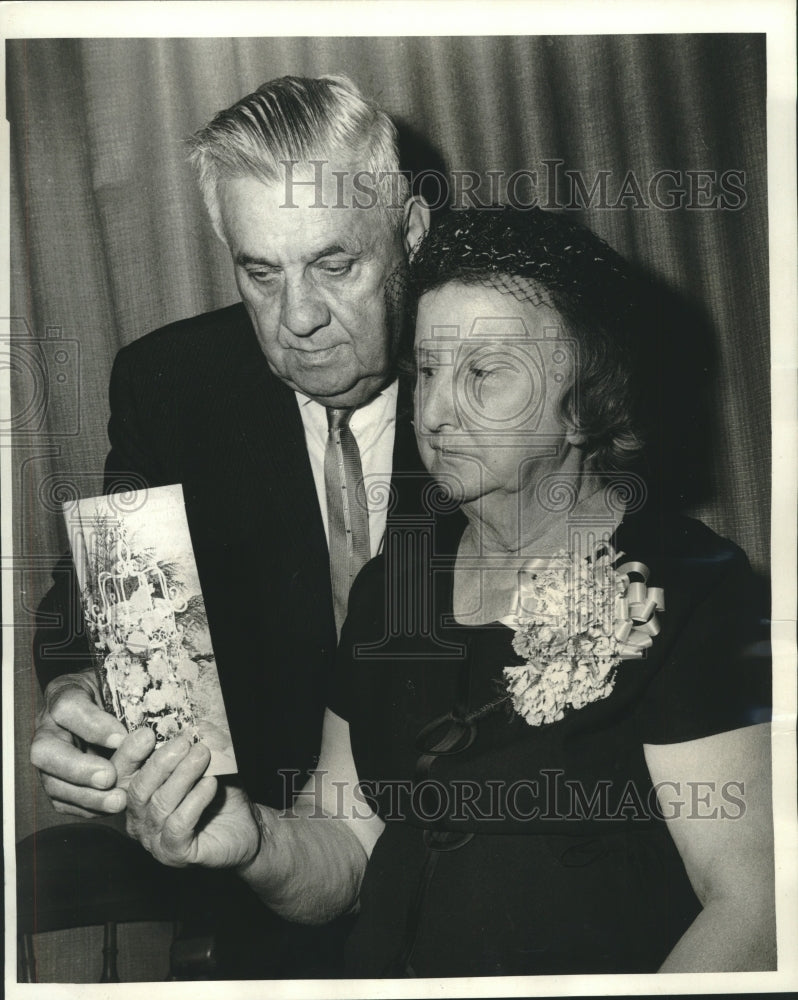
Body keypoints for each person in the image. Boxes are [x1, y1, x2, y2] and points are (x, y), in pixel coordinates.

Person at [122, 206, 775, 976]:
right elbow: (346, 850)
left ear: (588, 391)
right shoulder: (391, 586)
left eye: (483, 372)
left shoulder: (697, 590)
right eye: (427, 370)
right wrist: (256, 839)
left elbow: (753, 907)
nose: (434, 412)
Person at [29, 74, 429, 976]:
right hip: (273, 885)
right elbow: (91, 606)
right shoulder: (173, 384)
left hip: (489, 870)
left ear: (408, 237)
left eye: (335, 265)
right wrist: (79, 702)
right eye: (261, 271)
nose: (298, 320)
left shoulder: (493, 371)